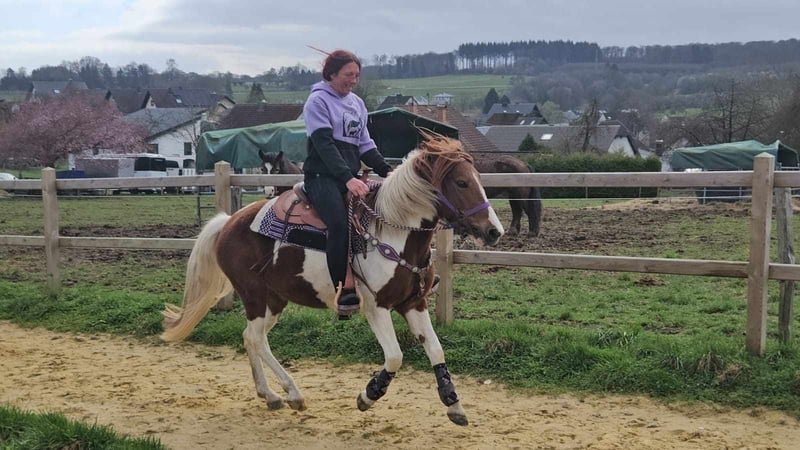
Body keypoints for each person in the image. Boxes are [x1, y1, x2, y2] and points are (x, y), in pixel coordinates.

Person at [302, 49, 392, 317]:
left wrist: (389, 172)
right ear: (331, 74)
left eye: (357, 75)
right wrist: (348, 178)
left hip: (349, 177)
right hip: (322, 178)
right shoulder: (317, 101)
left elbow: (365, 145)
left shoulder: (357, 104)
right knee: (339, 224)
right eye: (348, 75)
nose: (353, 80)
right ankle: (344, 289)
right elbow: (324, 146)